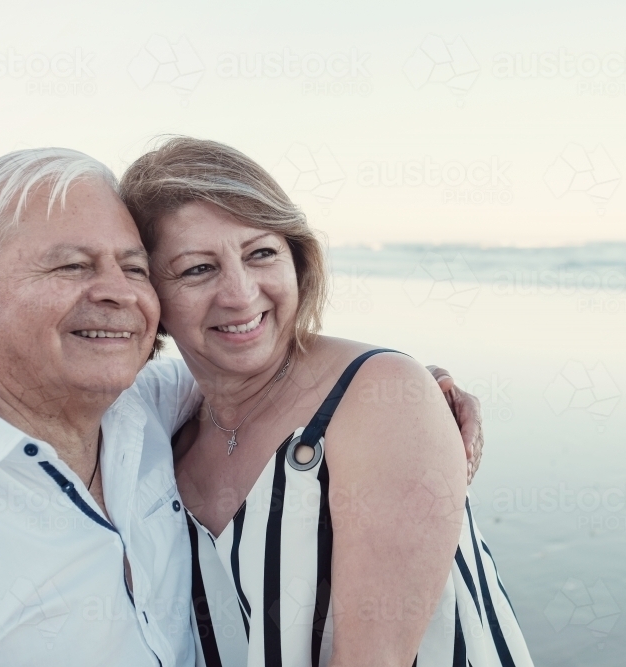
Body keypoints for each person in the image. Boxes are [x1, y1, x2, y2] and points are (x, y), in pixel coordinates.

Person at [0, 148, 483, 666]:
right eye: (72, 265)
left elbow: (256, 366)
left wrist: (406, 390)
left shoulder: (142, 406)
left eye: (133, 267)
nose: (115, 292)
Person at [120, 137, 533, 666]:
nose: (241, 294)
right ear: (149, 291)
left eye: (261, 253)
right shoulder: (165, 433)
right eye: (198, 269)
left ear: (297, 259)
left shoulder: (379, 398)